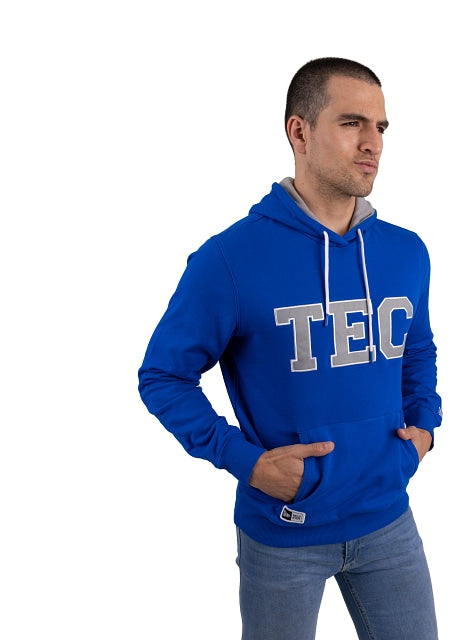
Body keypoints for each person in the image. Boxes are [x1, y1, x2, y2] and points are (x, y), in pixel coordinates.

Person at [138, 57, 442, 640]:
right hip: (283, 531)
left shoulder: (406, 252)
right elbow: (163, 376)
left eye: (380, 127)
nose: (373, 143)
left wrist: (424, 427)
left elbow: (417, 349)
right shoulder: (229, 260)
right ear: (299, 132)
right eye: (352, 123)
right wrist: (245, 460)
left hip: (388, 519)